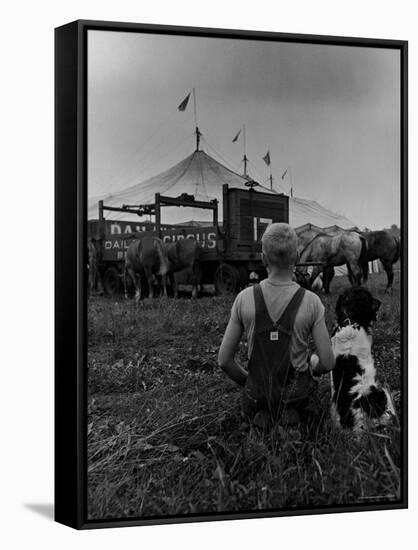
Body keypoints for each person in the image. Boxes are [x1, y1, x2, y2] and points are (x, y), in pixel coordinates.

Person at [218, 223, 334, 429]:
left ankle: (261, 412)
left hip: (256, 393)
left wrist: (250, 383)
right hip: (297, 394)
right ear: (297, 257)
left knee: (256, 399)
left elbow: (224, 361)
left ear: (263, 259)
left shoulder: (243, 299)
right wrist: (313, 366)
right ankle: (291, 413)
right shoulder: (311, 301)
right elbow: (327, 362)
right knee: (306, 396)